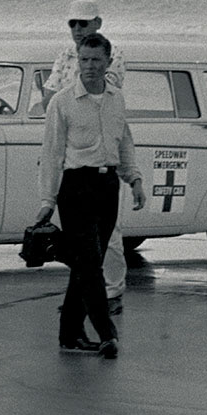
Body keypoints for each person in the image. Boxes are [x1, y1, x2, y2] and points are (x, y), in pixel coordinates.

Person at [35, 31, 145, 359]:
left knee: (86, 264)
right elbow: (52, 154)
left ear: (108, 62)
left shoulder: (116, 99)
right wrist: (47, 201)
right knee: (91, 264)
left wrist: (134, 179)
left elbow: (123, 140)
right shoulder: (63, 102)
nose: (90, 67)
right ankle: (107, 334)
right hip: (75, 188)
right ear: (77, 61)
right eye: (84, 60)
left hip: (108, 186)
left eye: (97, 60)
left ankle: (69, 334)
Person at [46, 0, 129, 318]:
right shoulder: (64, 56)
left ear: (98, 22)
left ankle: (111, 292)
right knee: (77, 238)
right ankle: (81, 298)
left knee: (108, 236)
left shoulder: (113, 54)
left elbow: (103, 92)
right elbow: (51, 98)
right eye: (72, 24)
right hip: (71, 152)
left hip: (100, 153)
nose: (77, 30)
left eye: (83, 23)